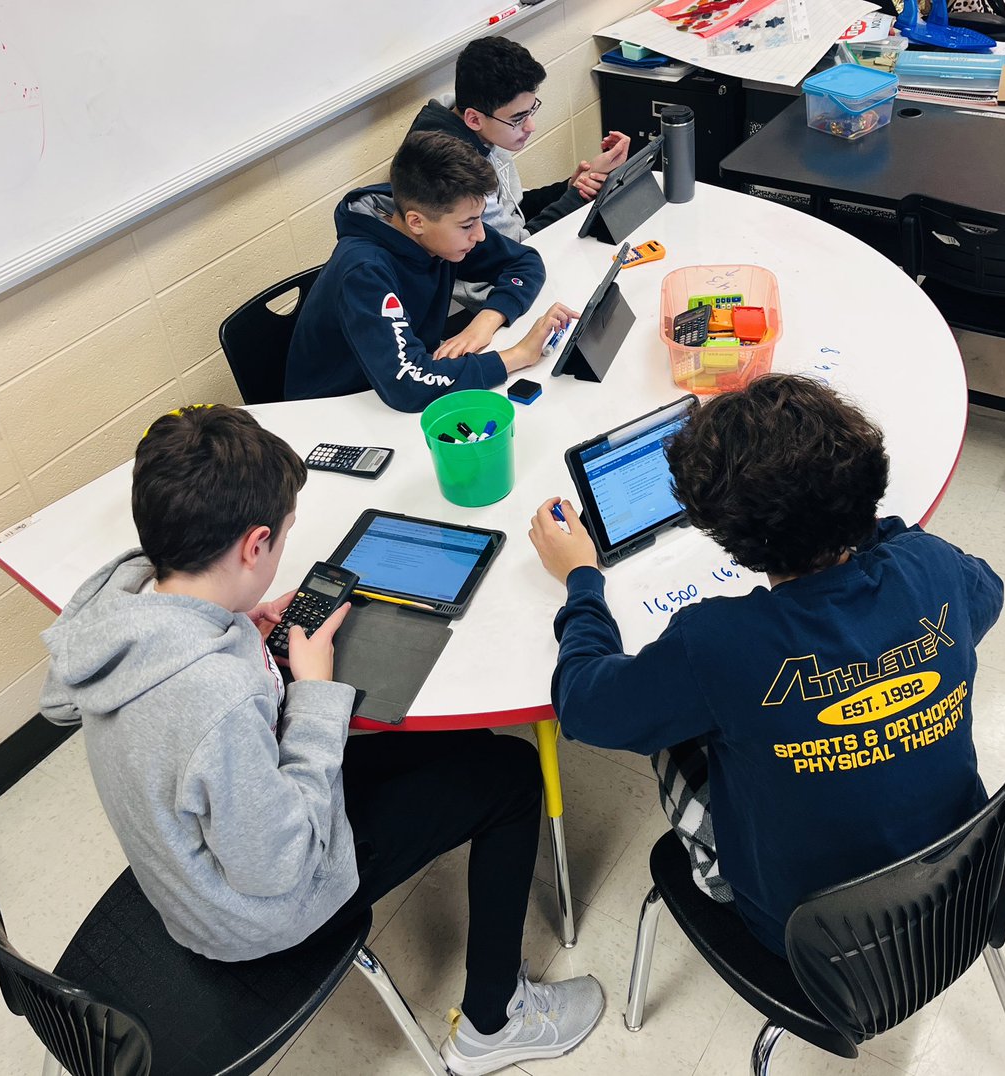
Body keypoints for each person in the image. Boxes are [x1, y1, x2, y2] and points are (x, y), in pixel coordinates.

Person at [39, 405, 603, 1075]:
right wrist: (311, 690)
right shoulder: (213, 701)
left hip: (205, 840)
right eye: (279, 542)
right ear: (254, 546)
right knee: (511, 773)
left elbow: (142, 708)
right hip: (254, 910)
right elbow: (281, 863)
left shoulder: (120, 603)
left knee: (463, 743)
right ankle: (495, 1020)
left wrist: (232, 618)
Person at [527, 374, 1003, 955]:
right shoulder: (931, 565)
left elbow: (581, 706)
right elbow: (987, 596)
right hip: (964, 891)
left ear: (728, 539)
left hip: (811, 941)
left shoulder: (719, 643)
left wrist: (581, 580)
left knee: (671, 731)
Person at [284, 131, 575, 408]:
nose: (480, 235)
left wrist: (485, 321)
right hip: (337, 411)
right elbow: (409, 385)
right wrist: (516, 356)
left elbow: (524, 262)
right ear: (416, 222)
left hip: (392, 384)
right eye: (468, 224)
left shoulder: (437, 225)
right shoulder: (364, 271)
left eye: (478, 219)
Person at [408, 36, 629, 314]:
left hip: (512, 261)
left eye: (531, 110)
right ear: (474, 118)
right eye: (518, 119)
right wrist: (574, 197)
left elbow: (513, 208)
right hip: (489, 291)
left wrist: (568, 187)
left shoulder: (482, 126)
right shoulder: (454, 168)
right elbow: (517, 248)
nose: (531, 126)